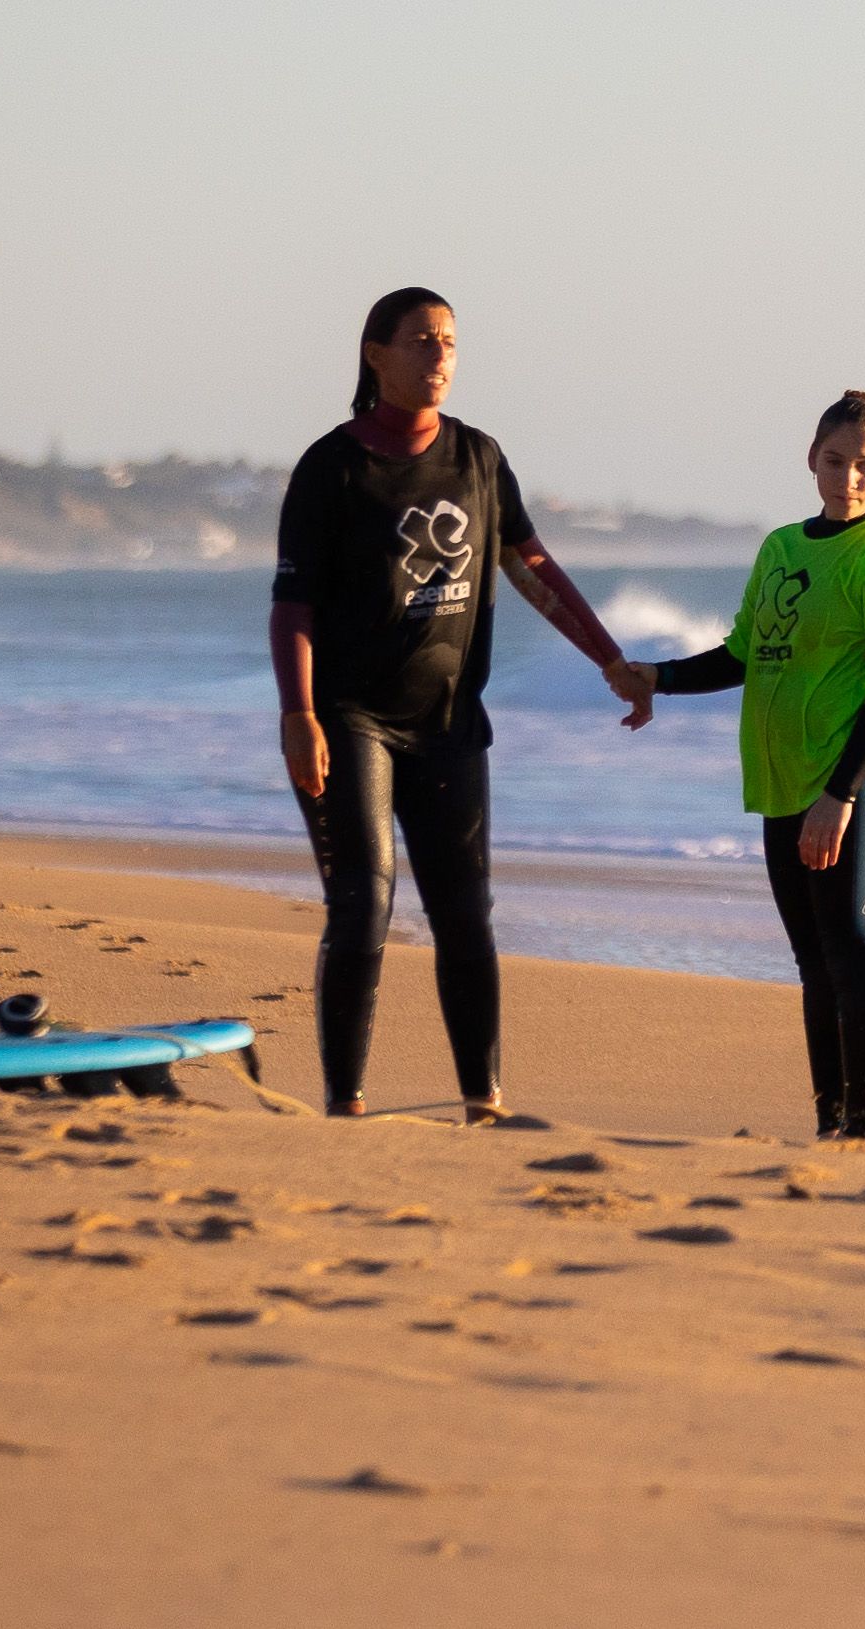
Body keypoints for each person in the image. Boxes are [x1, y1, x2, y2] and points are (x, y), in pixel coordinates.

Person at [269, 286, 641, 1120]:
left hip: (446, 723)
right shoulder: (331, 467)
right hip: (347, 717)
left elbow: (532, 567)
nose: (439, 354)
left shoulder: (477, 457)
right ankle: (345, 1104)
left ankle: (484, 1100)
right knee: (364, 900)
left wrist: (609, 658)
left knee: (465, 914)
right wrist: (298, 715)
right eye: (420, 340)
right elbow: (292, 606)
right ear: (376, 353)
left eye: (449, 340)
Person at [614, 393, 865, 1145]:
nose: (848, 477)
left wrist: (840, 794)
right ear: (810, 457)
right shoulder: (782, 548)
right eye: (834, 459)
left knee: (855, 949)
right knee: (814, 963)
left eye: (864, 465)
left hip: (853, 782)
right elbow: (743, 656)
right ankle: (831, 1124)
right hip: (782, 781)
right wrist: (655, 677)